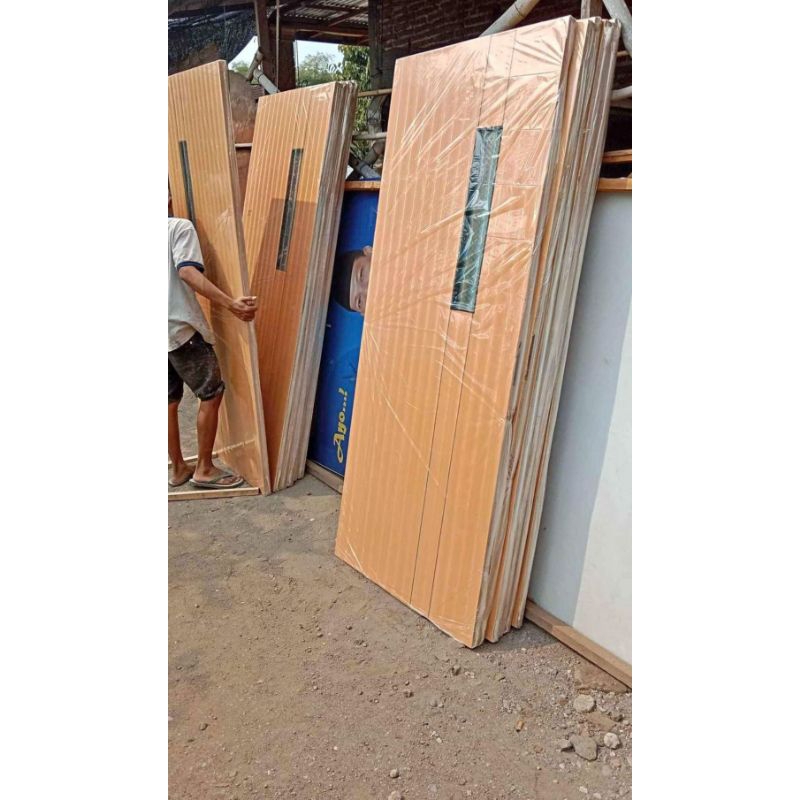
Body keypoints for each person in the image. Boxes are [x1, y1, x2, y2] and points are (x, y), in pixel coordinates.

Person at [168, 207, 257, 489]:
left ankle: (178, 469)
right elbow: (187, 272)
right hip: (179, 328)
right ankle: (204, 469)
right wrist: (231, 304)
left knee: (168, 400)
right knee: (211, 393)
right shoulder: (178, 228)